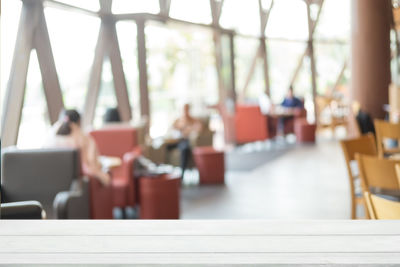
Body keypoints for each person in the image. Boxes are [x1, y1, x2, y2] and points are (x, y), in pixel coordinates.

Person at [44, 109, 111, 186]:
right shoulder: (85, 138)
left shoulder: (49, 137)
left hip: (49, 180)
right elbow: (92, 162)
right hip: (77, 184)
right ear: (79, 121)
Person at [167, 104, 203, 178]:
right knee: (163, 147)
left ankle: (182, 175)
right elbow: (171, 130)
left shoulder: (193, 120)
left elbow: (199, 129)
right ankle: (164, 174)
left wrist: (189, 129)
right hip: (175, 141)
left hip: (185, 141)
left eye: (187, 109)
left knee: (185, 149)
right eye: (184, 109)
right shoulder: (178, 120)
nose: (185, 111)